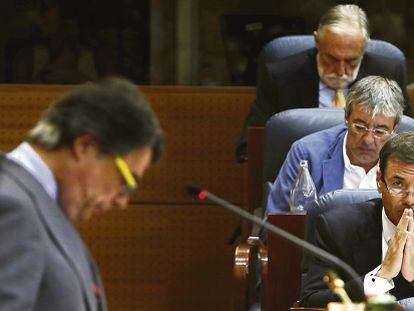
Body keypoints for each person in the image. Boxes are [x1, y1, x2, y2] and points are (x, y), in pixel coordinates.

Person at [0, 77, 163, 310]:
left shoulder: (38, 206)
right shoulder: (12, 208)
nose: (122, 201)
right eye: (125, 181)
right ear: (85, 146)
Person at [236, 4, 408, 162]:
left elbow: (406, 137)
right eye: (331, 59)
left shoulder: (388, 72)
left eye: (351, 61)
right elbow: (252, 144)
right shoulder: (281, 75)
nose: (341, 71)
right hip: (303, 169)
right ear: (317, 41)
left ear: (364, 47)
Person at [300, 131, 414, 307]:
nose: (409, 200)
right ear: (379, 181)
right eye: (398, 184)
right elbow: (311, 303)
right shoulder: (337, 227)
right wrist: (381, 276)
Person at [266, 75, 404, 213]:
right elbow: (275, 223)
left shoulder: (409, 161)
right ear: (346, 118)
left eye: (380, 131)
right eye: (359, 127)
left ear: (395, 128)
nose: (368, 140)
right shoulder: (306, 154)